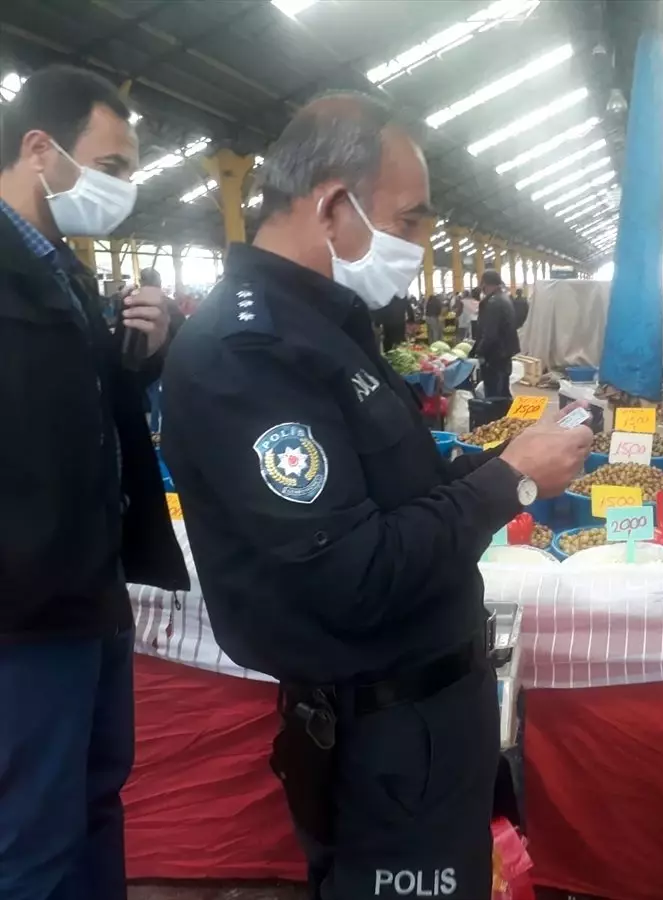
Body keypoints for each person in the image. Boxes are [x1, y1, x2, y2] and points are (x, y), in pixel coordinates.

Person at [160, 92, 592, 900]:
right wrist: (512, 480)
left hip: (427, 720)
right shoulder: (250, 354)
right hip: (383, 740)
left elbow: (395, 498)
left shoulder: (324, 328)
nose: (425, 248)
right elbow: (352, 573)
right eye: (413, 223)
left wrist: (501, 461)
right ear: (331, 205)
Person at [0, 65, 187, 900]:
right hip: (23, 606)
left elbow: (64, 406)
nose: (124, 187)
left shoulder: (67, 272)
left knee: (96, 800)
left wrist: (136, 365)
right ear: (40, 149)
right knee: (30, 835)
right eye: (111, 166)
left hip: (89, 585)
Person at [475, 268, 520, 398]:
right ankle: (503, 416)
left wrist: (480, 350)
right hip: (504, 354)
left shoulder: (493, 302)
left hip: (495, 356)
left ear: (484, 283)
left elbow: (490, 334)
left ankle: (496, 417)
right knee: (503, 392)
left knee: (495, 395)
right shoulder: (504, 298)